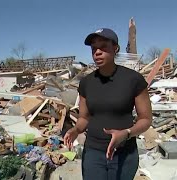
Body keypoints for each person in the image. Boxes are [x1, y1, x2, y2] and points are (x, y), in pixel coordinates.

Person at [63, 28, 152, 180]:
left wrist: (126, 133)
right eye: (93, 48)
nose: (97, 52)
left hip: (124, 154)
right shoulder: (86, 83)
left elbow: (146, 119)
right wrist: (75, 130)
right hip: (94, 154)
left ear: (115, 48)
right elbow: (84, 118)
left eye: (103, 46)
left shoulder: (133, 79)